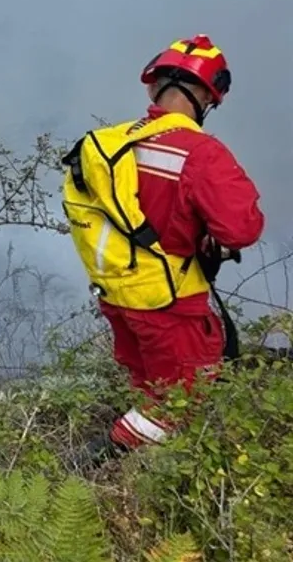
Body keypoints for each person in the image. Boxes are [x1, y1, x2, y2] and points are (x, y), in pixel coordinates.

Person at [61, 34, 264, 456]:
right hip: (170, 304)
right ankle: (101, 460)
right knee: (182, 400)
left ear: (154, 87)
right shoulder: (202, 153)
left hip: (119, 297)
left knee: (150, 383)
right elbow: (241, 229)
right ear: (206, 98)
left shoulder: (111, 144)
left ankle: (143, 463)